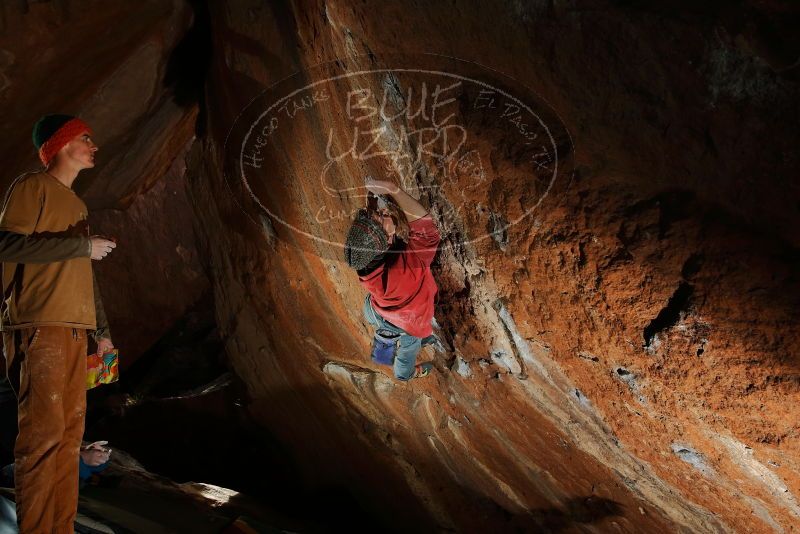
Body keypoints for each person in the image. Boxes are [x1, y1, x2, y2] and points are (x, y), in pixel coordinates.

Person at [0, 114, 116, 532]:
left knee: (68, 444)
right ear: (63, 144)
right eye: (86, 138)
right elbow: (6, 244)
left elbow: (83, 274)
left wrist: (101, 336)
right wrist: (81, 245)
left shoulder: (78, 206)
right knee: (43, 441)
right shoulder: (32, 187)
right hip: (40, 327)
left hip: (74, 332)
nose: (94, 146)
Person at [344, 178, 441, 381]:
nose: (384, 212)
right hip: (400, 321)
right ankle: (408, 374)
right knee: (406, 356)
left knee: (390, 335)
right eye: (381, 216)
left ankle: (382, 354)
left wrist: (372, 197)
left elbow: (369, 232)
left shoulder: (362, 258)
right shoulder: (406, 273)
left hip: (379, 313)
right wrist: (392, 189)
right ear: (388, 240)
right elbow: (428, 234)